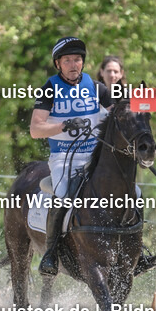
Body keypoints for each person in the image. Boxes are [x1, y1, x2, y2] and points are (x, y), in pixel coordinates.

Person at [30, 36, 112, 276]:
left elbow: (118, 117)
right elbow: (35, 129)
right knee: (64, 194)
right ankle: (51, 253)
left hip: (95, 159)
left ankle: (133, 250)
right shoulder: (50, 88)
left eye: (77, 59)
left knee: (131, 192)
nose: (74, 64)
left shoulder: (98, 88)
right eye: (68, 60)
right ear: (58, 64)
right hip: (64, 158)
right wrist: (63, 126)